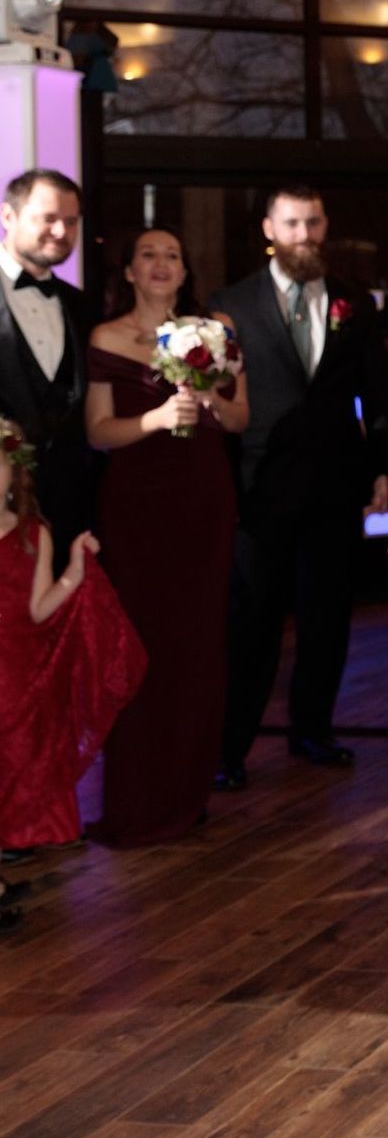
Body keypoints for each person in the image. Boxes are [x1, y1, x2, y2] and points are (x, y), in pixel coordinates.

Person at [211, 184, 388, 786]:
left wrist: (381, 468)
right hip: (259, 491)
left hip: (335, 489)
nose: (304, 235)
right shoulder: (230, 306)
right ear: (269, 228)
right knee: (253, 624)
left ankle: (313, 730)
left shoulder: (353, 303)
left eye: (313, 222)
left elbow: (378, 395)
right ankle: (230, 748)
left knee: (327, 619)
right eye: (291, 223)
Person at [86, 229, 246, 844]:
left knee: (198, 646)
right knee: (138, 647)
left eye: (172, 255)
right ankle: (136, 798)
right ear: (128, 270)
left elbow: (240, 418)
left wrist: (207, 400)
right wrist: (154, 418)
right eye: (148, 255)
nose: (160, 264)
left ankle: (188, 792)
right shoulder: (106, 337)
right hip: (136, 510)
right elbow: (98, 432)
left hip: (203, 501)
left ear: (184, 271)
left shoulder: (217, 329)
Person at [0, 416, 145, 865]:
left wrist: (74, 572)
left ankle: (19, 829)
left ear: (14, 472)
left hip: (18, 668)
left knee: (23, 749)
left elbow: (38, 608)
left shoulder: (33, 534)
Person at [0, 169, 92, 558]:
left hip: (70, 502)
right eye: (49, 218)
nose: (61, 231)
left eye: (71, 221)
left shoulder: (81, 305)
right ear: (8, 217)